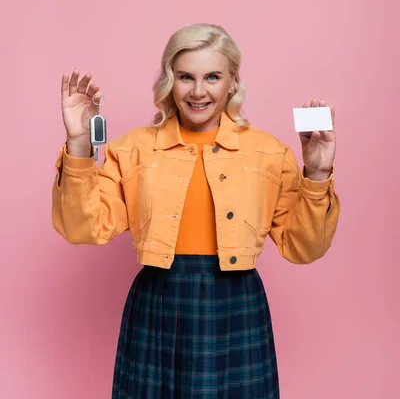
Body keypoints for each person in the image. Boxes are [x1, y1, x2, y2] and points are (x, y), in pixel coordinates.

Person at [52, 23, 340, 398]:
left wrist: (316, 173)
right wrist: (79, 144)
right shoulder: (133, 148)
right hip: (159, 301)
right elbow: (81, 227)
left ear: (232, 82)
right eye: (185, 76)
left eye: (213, 77)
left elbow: (305, 248)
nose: (198, 91)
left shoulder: (269, 153)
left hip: (237, 305)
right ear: (170, 81)